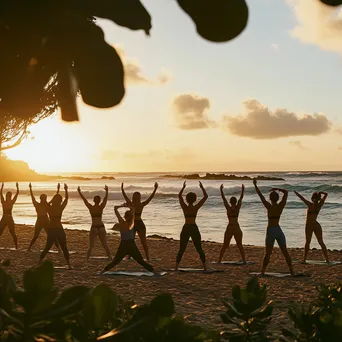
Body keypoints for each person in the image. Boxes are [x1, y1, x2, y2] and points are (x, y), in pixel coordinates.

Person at [100, 204, 156, 274]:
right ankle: (154, 272)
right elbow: (133, 209)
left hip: (124, 244)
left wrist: (120, 206)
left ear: (125, 217)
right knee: (140, 261)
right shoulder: (132, 222)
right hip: (130, 244)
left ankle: (102, 271)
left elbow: (116, 210)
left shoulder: (122, 222)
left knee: (115, 261)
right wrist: (127, 206)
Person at [253, 179, 294, 275]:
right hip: (278, 230)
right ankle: (292, 271)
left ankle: (263, 272)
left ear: (270, 199)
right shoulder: (280, 207)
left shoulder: (269, 207)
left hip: (271, 230)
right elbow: (286, 192)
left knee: (268, 253)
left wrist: (255, 185)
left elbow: (261, 196)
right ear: (277, 199)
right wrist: (278, 189)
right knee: (285, 252)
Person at [121, 182, 158, 261]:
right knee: (131, 241)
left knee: (142, 241)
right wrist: (122, 189)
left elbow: (150, 198)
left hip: (139, 224)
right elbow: (125, 197)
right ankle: (130, 256)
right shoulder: (133, 204)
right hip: (134, 225)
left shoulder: (138, 204)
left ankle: (147, 257)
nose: (137, 198)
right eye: (137, 197)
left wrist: (155, 189)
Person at [175, 181, 208, 271]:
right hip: (193, 227)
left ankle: (176, 267)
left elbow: (179, 196)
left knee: (182, 248)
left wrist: (183, 187)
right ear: (195, 199)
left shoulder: (184, 208)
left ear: (187, 199)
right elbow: (206, 197)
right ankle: (204, 266)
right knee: (199, 248)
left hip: (186, 227)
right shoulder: (195, 208)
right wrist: (202, 187)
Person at [39, 183, 72, 269]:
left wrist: (65, 190)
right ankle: (39, 262)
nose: (60, 201)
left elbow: (66, 199)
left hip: (58, 229)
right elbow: (66, 199)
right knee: (48, 247)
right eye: (59, 200)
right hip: (53, 229)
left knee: (64, 247)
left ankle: (69, 265)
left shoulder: (53, 207)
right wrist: (65, 190)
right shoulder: (54, 208)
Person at [77, 185, 111, 260]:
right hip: (101, 226)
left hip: (94, 227)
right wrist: (107, 191)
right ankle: (110, 257)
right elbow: (105, 200)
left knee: (91, 246)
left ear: (93, 200)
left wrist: (79, 192)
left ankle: (87, 259)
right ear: (99, 201)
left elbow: (84, 200)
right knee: (105, 245)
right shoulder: (101, 207)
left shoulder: (91, 208)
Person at [294, 191, 329, 263]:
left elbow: (302, 198)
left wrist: (296, 193)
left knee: (308, 242)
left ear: (312, 198)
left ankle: (304, 259)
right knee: (321, 242)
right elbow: (326, 194)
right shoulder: (319, 205)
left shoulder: (310, 205)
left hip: (309, 225)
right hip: (316, 225)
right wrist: (321, 192)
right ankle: (327, 259)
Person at [28, 183, 61, 252]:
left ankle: (59, 249)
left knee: (51, 235)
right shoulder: (37, 204)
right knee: (36, 236)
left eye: (45, 198)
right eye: (43, 198)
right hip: (39, 221)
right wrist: (30, 188)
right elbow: (32, 197)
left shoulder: (47, 204)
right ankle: (29, 248)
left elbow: (54, 198)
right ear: (41, 198)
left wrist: (58, 189)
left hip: (46, 221)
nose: (45, 199)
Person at [218, 184, 246, 263]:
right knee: (239, 245)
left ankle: (219, 260)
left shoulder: (228, 208)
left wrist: (221, 190)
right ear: (235, 202)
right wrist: (243, 190)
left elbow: (223, 199)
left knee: (226, 245)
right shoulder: (237, 208)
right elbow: (241, 198)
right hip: (236, 227)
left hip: (230, 227)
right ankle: (244, 261)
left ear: (230, 202)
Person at [0, 182, 19, 249]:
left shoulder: (12, 202)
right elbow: (0, 194)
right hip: (4, 218)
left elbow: (17, 194)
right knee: (0, 232)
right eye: (8, 195)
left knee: (12, 232)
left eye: (9, 195)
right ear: (6, 196)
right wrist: (2, 187)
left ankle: (16, 246)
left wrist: (17, 187)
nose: (8, 196)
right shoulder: (3, 202)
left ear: (10, 196)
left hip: (10, 219)